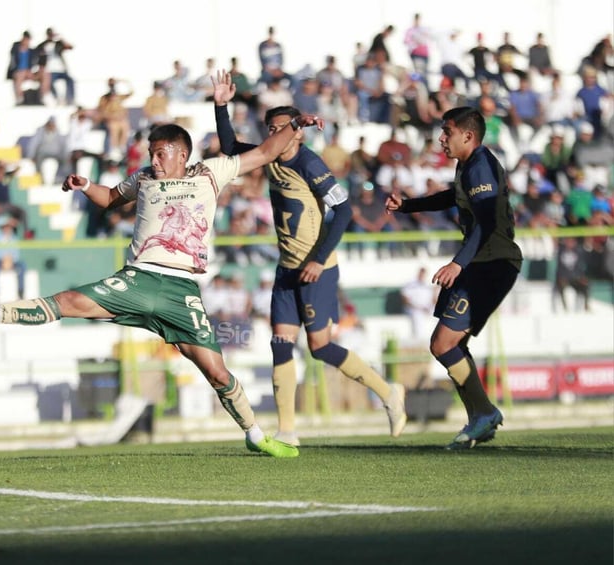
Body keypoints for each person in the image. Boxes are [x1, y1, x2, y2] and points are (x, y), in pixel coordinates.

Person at [0, 71, 325, 458]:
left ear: (182, 154)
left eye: (160, 153)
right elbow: (112, 197)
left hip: (183, 292)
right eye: (151, 153)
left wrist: (295, 125)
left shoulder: (210, 173)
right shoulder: (144, 177)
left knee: (217, 372)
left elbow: (265, 152)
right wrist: (85, 187)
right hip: (139, 280)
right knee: (68, 301)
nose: (153, 160)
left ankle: (255, 434)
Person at [213, 78, 407, 445]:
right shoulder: (267, 157)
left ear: (298, 134)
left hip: (316, 269)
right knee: (280, 343)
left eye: (282, 129)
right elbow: (228, 146)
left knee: (320, 348)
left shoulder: (310, 164)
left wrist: (318, 259)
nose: (275, 135)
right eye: (270, 130)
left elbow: (345, 210)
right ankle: (287, 432)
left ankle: (388, 392)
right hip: (288, 268)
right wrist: (221, 105)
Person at [385, 106, 523, 449]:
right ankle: (481, 415)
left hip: (493, 263)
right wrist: (408, 207)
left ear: (468, 135)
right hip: (479, 262)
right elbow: (452, 197)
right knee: (448, 345)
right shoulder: (467, 166)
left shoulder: (481, 166)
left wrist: (458, 264)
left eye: (446, 132)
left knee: (443, 344)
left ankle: (483, 414)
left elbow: (488, 222)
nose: (441, 139)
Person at [0, 214, 26, 303]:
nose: (8, 229)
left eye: (9, 227)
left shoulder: (14, 239)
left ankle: (21, 292)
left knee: (22, 265)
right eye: (6, 227)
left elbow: (16, 255)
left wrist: (9, 261)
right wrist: (7, 219)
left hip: (10, 262)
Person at [36, 27, 75, 106]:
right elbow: (37, 54)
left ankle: (70, 99)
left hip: (61, 69)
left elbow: (70, 47)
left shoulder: (58, 44)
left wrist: (61, 38)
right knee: (50, 82)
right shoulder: (43, 45)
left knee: (70, 80)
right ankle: (57, 98)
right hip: (50, 70)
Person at [27, 116, 69, 184]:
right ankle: (41, 179)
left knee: (65, 160)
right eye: (50, 124)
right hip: (43, 152)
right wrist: (31, 155)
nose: (52, 126)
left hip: (56, 153)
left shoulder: (57, 131)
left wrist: (67, 155)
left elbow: (63, 144)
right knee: (38, 159)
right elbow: (34, 143)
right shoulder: (41, 131)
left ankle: (59, 178)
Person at [400, 267, 438, 340]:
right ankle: (418, 339)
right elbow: (405, 299)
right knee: (417, 316)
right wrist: (419, 308)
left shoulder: (429, 285)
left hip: (428, 308)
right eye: (421, 273)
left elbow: (434, 299)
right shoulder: (410, 284)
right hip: (414, 308)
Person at [7, 31, 38, 105]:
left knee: (45, 74)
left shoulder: (31, 51)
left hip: (28, 72)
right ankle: (19, 98)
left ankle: (43, 97)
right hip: (18, 72)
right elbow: (13, 61)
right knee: (20, 74)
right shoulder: (16, 49)